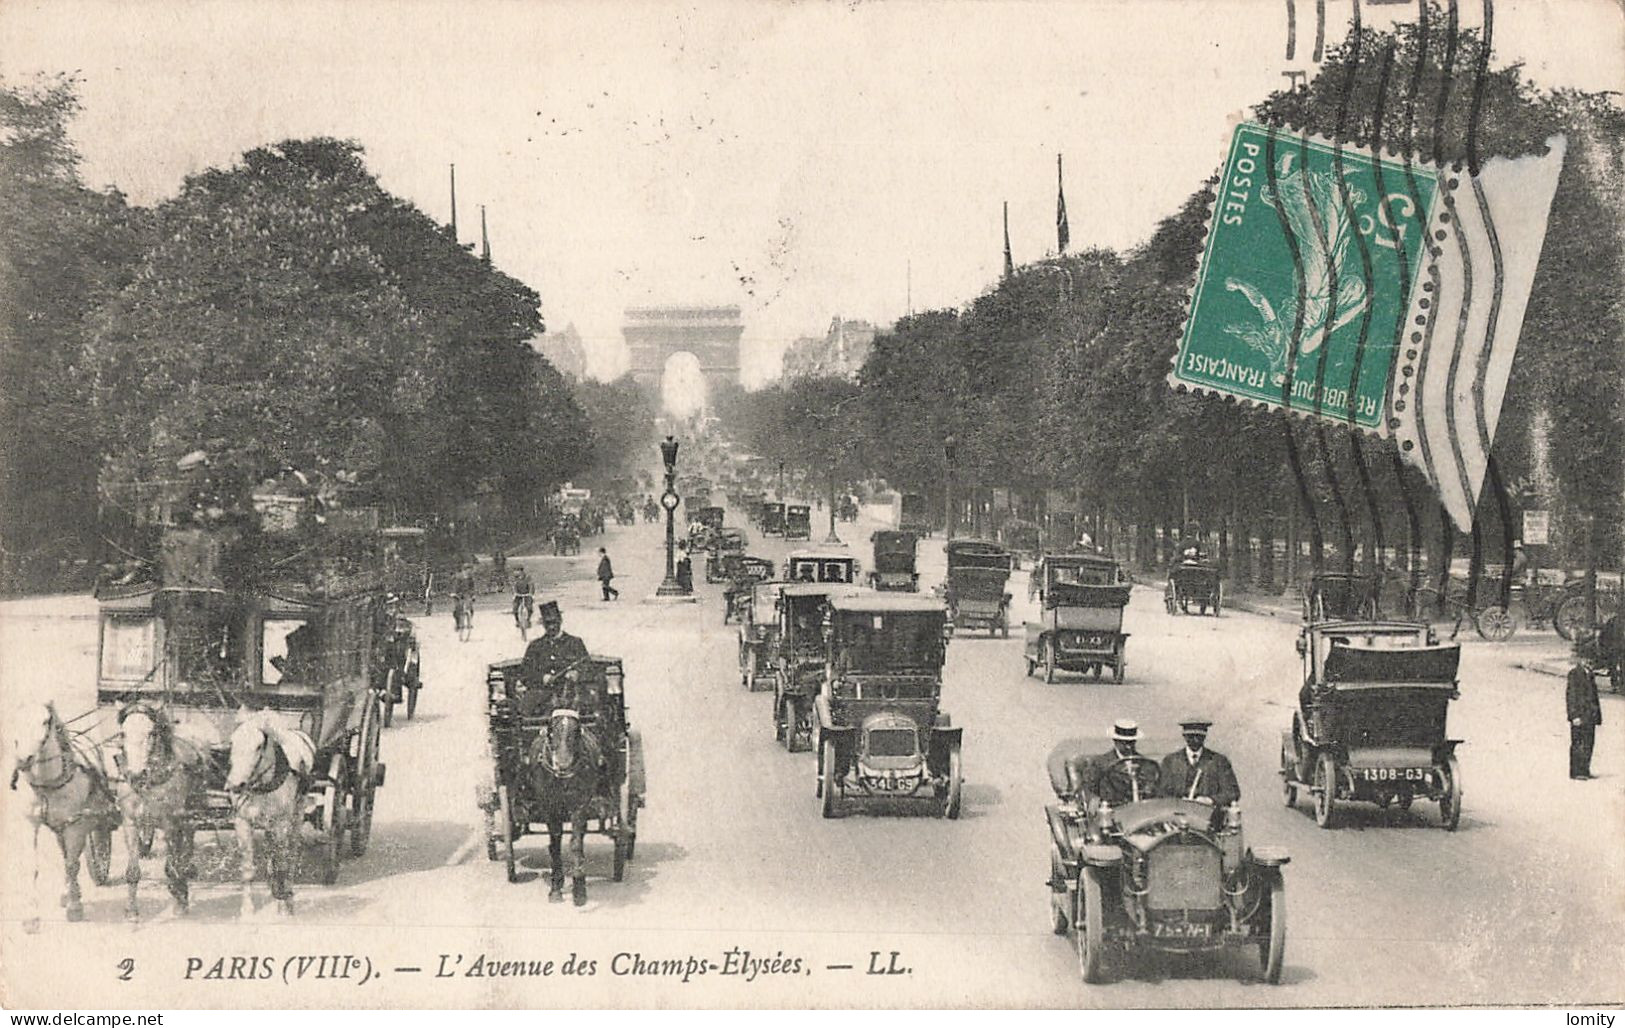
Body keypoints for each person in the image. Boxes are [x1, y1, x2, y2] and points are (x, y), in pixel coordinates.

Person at [1066, 719, 1158, 807]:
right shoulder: (1100, 764)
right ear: (1115, 741)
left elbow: (1154, 790)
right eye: (1125, 743)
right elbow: (1087, 789)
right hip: (1113, 811)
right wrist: (1096, 803)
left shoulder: (1146, 764)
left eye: (1132, 742)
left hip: (1142, 812)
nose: (1129, 747)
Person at [520, 601, 591, 715]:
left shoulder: (575, 642)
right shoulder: (535, 646)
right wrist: (542, 678)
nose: (552, 627)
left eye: (554, 622)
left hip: (572, 695)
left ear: (560, 621)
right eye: (548, 623)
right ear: (543, 624)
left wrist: (576, 674)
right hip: (542, 698)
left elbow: (588, 667)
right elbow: (525, 673)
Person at [1159, 717, 1241, 808]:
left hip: (1210, 816)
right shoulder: (1170, 761)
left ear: (1204, 736)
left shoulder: (1219, 761)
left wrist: (1210, 800)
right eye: (1190, 736)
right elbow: (1161, 792)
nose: (1195, 740)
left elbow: (1232, 792)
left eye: (1199, 736)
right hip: (1177, 816)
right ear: (1184, 736)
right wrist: (1179, 801)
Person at [1566, 643, 1602, 780]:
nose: (1589, 663)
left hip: (1590, 715)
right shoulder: (1575, 674)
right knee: (1578, 743)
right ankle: (1576, 771)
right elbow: (1571, 696)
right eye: (1587, 660)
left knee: (1589, 743)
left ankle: (1585, 769)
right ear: (1580, 660)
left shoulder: (1590, 674)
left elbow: (1594, 697)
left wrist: (1597, 715)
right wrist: (1573, 715)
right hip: (1580, 715)